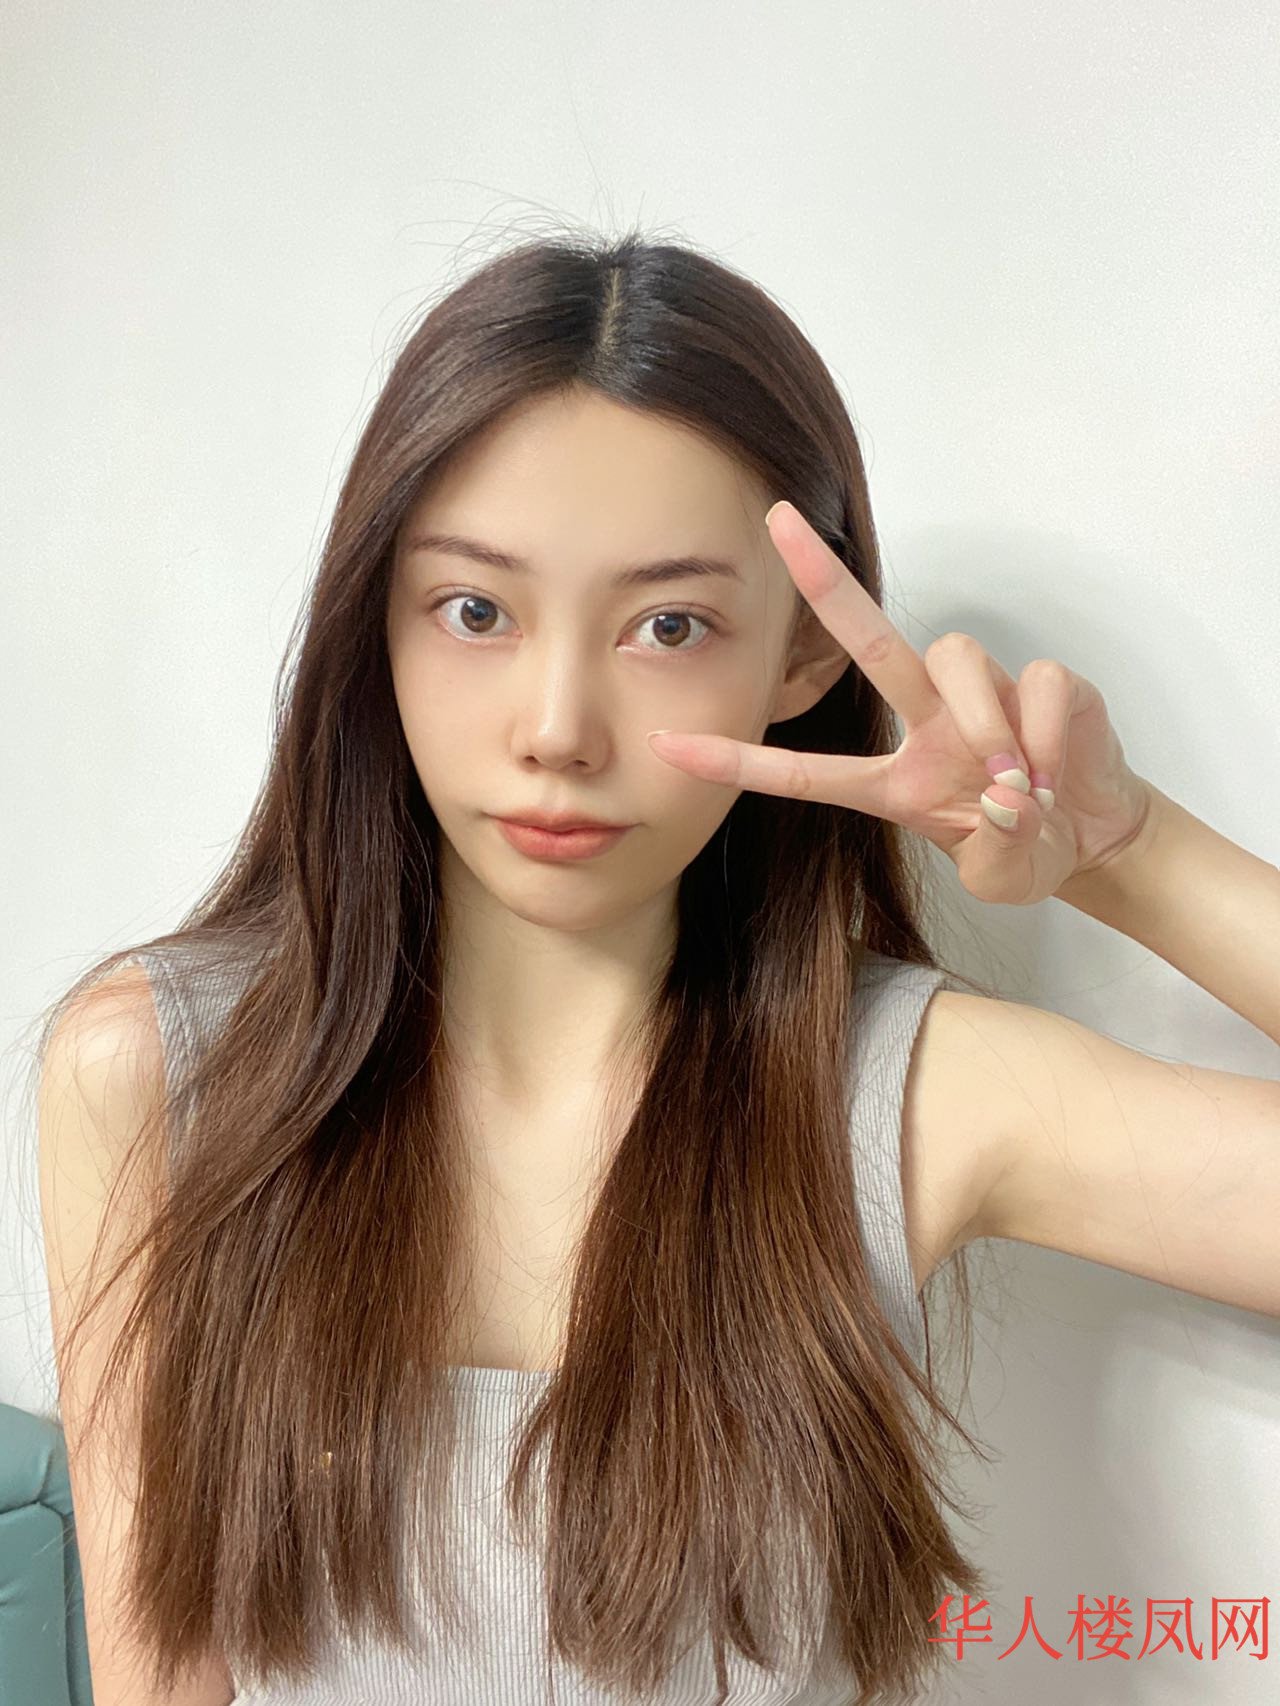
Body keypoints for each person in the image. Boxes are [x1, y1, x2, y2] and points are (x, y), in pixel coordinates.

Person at [33, 230, 1280, 1706]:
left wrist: (1134, 854)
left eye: (668, 625)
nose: (557, 727)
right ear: (380, 621)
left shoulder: (899, 1093)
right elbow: (162, 1674)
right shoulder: (156, 1071)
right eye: (477, 610)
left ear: (801, 662)